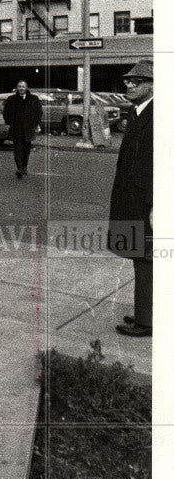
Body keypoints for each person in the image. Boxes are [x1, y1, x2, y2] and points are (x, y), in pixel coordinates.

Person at [108, 60, 153, 338]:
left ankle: (146, 322)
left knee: (145, 259)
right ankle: (144, 311)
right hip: (133, 199)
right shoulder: (137, 111)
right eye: (128, 80)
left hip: (145, 202)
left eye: (136, 81)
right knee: (139, 257)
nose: (129, 84)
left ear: (152, 86)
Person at [2, 81, 42, 178]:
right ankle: (19, 168)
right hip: (16, 128)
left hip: (29, 128)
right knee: (17, 149)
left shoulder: (34, 99)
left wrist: (37, 124)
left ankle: (24, 167)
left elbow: (39, 112)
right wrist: (9, 122)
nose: (21, 88)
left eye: (23, 86)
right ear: (17, 88)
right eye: (19, 86)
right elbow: (5, 112)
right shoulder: (11, 99)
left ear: (27, 88)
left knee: (26, 149)